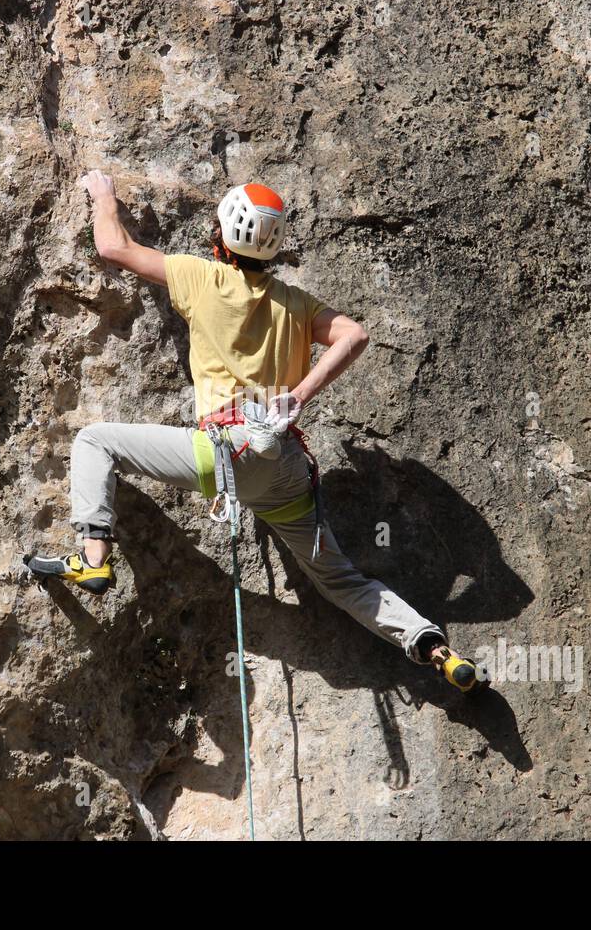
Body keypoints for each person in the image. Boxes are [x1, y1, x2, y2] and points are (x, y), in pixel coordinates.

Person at [24, 171, 484, 691]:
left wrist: (103, 193)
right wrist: (299, 395)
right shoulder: (297, 303)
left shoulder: (202, 278)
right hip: (284, 466)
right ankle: (432, 646)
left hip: (225, 450)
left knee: (94, 441)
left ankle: (92, 559)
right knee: (339, 579)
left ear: (222, 236)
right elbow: (355, 335)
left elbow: (113, 245)